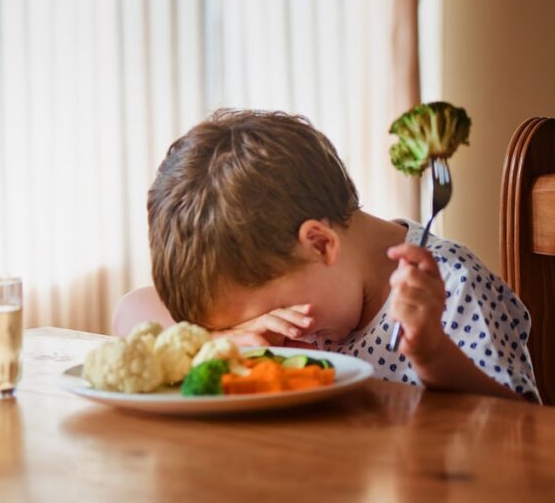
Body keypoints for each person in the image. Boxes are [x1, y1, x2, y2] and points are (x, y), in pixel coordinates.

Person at [123, 108, 537, 401]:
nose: (269, 330)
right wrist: (218, 340)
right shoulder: (291, 280)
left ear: (320, 244)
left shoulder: (451, 290)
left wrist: (433, 356)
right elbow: (131, 309)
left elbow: (521, 433)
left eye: (273, 312)